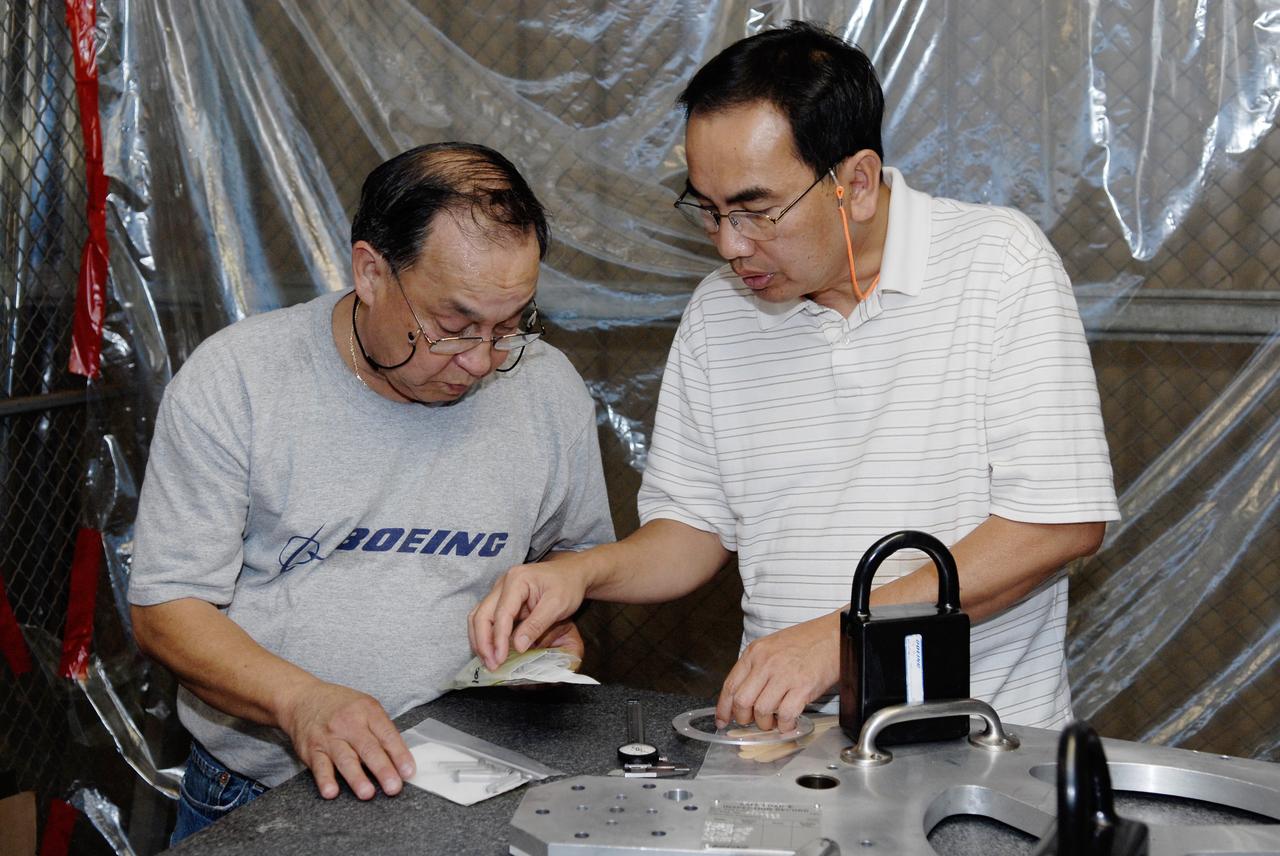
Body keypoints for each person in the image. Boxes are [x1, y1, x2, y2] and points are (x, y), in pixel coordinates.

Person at [470, 22, 1118, 737]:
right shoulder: (720, 312)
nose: (729, 244)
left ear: (858, 184)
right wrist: (581, 575)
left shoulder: (999, 264)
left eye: (755, 211)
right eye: (709, 211)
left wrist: (843, 636)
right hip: (784, 747)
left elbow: (1058, 523)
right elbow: (692, 530)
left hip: (980, 739)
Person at [128, 142, 613, 842]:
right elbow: (166, 609)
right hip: (258, 791)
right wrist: (299, 702)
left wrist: (555, 619)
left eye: (508, 326)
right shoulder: (240, 380)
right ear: (371, 272)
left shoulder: (544, 387)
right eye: (452, 327)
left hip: (470, 780)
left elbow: (573, 559)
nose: (479, 362)